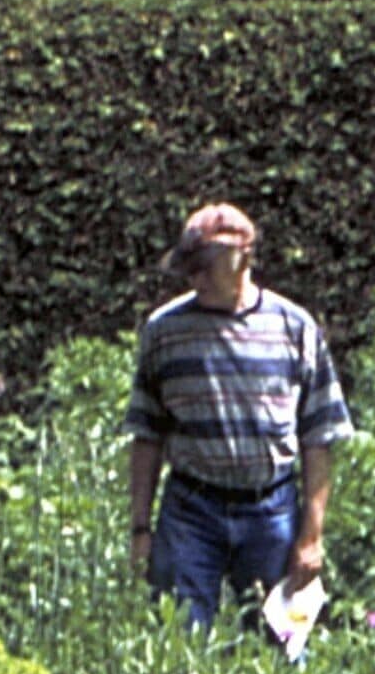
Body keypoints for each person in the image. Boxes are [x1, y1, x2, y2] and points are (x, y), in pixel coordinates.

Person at [124, 203, 354, 640]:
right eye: (189, 270)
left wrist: (311, 536)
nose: (196, 280)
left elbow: (318, 437)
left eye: (206, 268)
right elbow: (146, 435)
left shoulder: (295, 328)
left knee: (282, 650)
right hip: (190, 511)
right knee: (176, 644)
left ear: (244, 260)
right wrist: (140, 528)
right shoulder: (165, 332)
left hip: (272, 511)